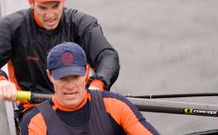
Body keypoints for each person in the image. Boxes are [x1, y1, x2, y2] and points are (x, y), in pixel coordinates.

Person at [0, 0, 120, 114]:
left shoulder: (81, 24)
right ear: (31, 2)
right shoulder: (10, 28)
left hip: (77, 101)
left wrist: (98, 83)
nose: (50, 15)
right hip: (34, 107)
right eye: (43, 8)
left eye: (55, 7)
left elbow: (107, 55)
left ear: (63, 0)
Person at [20, 42, 160, 135]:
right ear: (50, 76)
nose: (70, 86)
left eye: (75, 77)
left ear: (87, 72)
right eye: (63, 78)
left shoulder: (115, 105)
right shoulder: (36, 121)